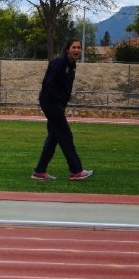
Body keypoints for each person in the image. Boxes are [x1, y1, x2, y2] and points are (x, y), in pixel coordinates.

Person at [32, 38, 93, 181]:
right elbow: (48, 84)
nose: (77, 50)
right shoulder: (59, 62)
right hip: (51, 103)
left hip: (57, 104)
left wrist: (61, 102)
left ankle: (39, 171)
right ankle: (76, 171)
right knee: (65, 135)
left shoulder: (72, 64)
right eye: (74, 47)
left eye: (79, 47)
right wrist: (57, 103)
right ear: (67, 49)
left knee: (54, 137)